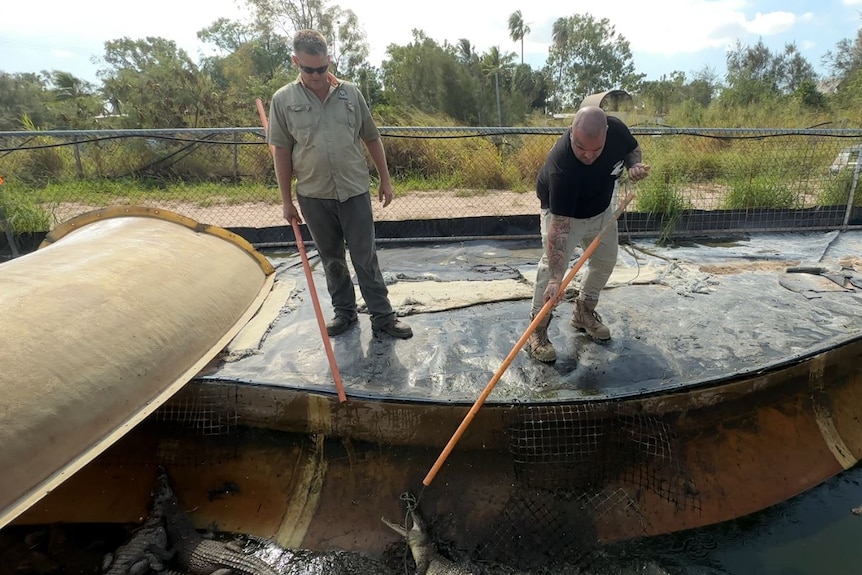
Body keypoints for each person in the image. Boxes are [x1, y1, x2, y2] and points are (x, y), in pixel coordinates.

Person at [267, 29, 412, 339]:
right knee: (332, 259)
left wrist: (385, 180)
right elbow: (281, 151)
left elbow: (371, 136)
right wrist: (285, 201)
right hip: (313, 195)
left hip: (354, 191)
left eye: (322, 68)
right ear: (296, 62)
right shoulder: (283, 100)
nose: (318, 75)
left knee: (365, 257)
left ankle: (383, 317)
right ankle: (344, 313)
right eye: (309, 69)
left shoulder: (350, 93)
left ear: (328, 60)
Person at [526, 106, 650, 363]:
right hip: (564, 215)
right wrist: (557, 278)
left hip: (601, 209)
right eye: (582, 148)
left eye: (596, 149)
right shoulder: (562, 167)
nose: (589, 155)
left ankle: (583, 313)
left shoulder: (616, 130)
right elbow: (559, 229)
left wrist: (634, 165)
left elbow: (631, 149)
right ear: (572, 133)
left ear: (606, 133)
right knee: (550, 273)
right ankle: (537, 331)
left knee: (605, 260)